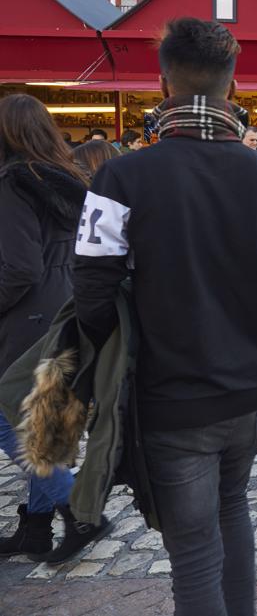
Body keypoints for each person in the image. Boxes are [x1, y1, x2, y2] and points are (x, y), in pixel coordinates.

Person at [73, 18, 257, 614]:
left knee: (194, 554)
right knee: (232, 512)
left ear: (161, 84)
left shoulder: (119, 175)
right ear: (234, 85)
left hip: (173, 397)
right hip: (252, 393)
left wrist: (101, 370)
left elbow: (90, 294)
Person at [0, 94, 91, 561]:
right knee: (46, 421)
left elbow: (19, 268)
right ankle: (37, 528)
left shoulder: (15, 182)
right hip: (66, 308)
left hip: (27, 317)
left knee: (10, 420)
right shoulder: (70, 178)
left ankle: (77, 504)